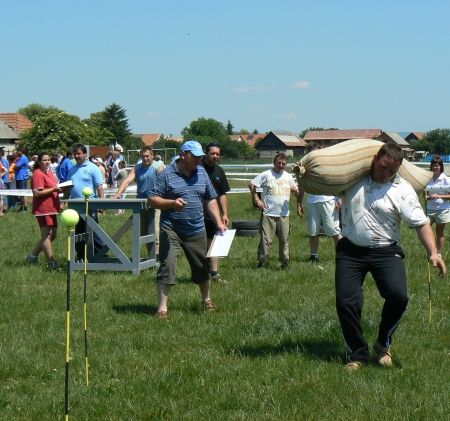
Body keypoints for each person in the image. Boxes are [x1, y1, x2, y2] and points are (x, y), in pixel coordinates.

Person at [335, 143, 446, 371]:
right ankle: (357, 355)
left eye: (392, 171)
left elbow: (421, 223)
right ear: (375, 158)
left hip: (386, 250)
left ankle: (383, 343)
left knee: (398, 297)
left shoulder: (402, 189)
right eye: (383, 167)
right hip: (351, 250)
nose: (385, 175)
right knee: (347, 302)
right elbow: (322, 182)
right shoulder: (352, 178)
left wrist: (433, 252)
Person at [148, 140, 226, 320]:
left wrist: (218, 221)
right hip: (171, 228)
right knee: (167, 264)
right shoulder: (166, 174)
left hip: (196, 228)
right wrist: (171, 204)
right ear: (183, 154)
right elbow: (152, 199)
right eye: (195, 156)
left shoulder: (201, 173)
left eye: (200, 157)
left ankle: (206, 300)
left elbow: (210, 199)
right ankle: (162, 309)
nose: (199, 160)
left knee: (202, 266)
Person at [249, 153, 302, 269]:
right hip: (268, 213)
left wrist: (298, 194)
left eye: (283, 164)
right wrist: (257, 200)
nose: (281, 165)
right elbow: (252, 184)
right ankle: (262, 262)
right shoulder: (267, 175)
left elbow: (296, 191)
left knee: (284, 240)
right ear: (274, 162)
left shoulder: (288, 177)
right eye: (279, 163)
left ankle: (284, 262)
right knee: (266, 240)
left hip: (284, 214)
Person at [115, 146, 161, 248]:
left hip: (155, 202)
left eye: (147, 156)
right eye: (143, 156)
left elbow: (165, 183)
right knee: (143, 232)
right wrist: (117, 195)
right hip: (141, 203)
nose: (145, 158)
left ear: (152, 155)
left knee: (155, 230)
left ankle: (157, 258)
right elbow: (127, 181)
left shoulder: (158, 167)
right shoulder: (137, 168)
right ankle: (150, 257)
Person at [66, 144, 105, 259]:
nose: (77, 156)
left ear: (85, 154)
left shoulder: (93, 168)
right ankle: (80, 256)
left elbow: (99, 187)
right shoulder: (72, 169)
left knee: (93, 232)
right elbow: (68, 187)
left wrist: (102, 203)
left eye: (79, 153)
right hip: (74, 206)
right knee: (77, 233)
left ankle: (100, 255)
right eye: (75, 154)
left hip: (89, 205)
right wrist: (64, 201)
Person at [26, 153, 61, 270]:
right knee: (46, 236)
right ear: (39, 162)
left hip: (52, 208)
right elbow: (37, 193)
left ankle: (32, 256)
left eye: (48, 160)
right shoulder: (38, 174)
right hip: (43, 209)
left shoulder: (49, 173)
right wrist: (53, 189)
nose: (47, 162)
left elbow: (54, 187)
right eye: (44, 160)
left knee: (53, 234)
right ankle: (51, 263)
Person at [201, 143, 230, 282]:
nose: (215, 156)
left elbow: (222, 194)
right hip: (198, 212)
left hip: (215, 214)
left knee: (215, 242)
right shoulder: (198, 168)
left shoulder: (219, 171)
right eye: (212, 153)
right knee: (202, 243)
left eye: (217, 154)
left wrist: (224, 214)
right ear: (206, 153)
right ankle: (202, 271)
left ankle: (214, 273)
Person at [301, 194, 342, 262]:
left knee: (334, 231)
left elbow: (338, 183)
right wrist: (299, 202)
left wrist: (340, 198)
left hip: (328, 200)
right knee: (313, 231)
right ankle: (313, 256)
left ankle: (342, 256)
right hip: (312, 201)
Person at [425, 155, 450, 258]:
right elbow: (425, 193)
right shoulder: (428, 178)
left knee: (439, 232)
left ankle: (438, 253)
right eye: (434, 165)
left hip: (442, 209)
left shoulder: (446, 179)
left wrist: (439, 195)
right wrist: (427, 197)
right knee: (426, 231)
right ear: (431, 166)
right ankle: (431, 252)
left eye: (437, 165)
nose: (435, 167)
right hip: (429, 209)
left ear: (441, 167)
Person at [14, 146, 30, 212]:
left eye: (18, 151)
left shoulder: (23, 158)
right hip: (19, 177)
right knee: (20, 193)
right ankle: (21, 207)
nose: (17, 152)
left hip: (22, 177)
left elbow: (16, 167)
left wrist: (15, 166)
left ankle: (25, 208)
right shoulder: (20, 158)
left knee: (24, 193)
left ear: (21, 151)